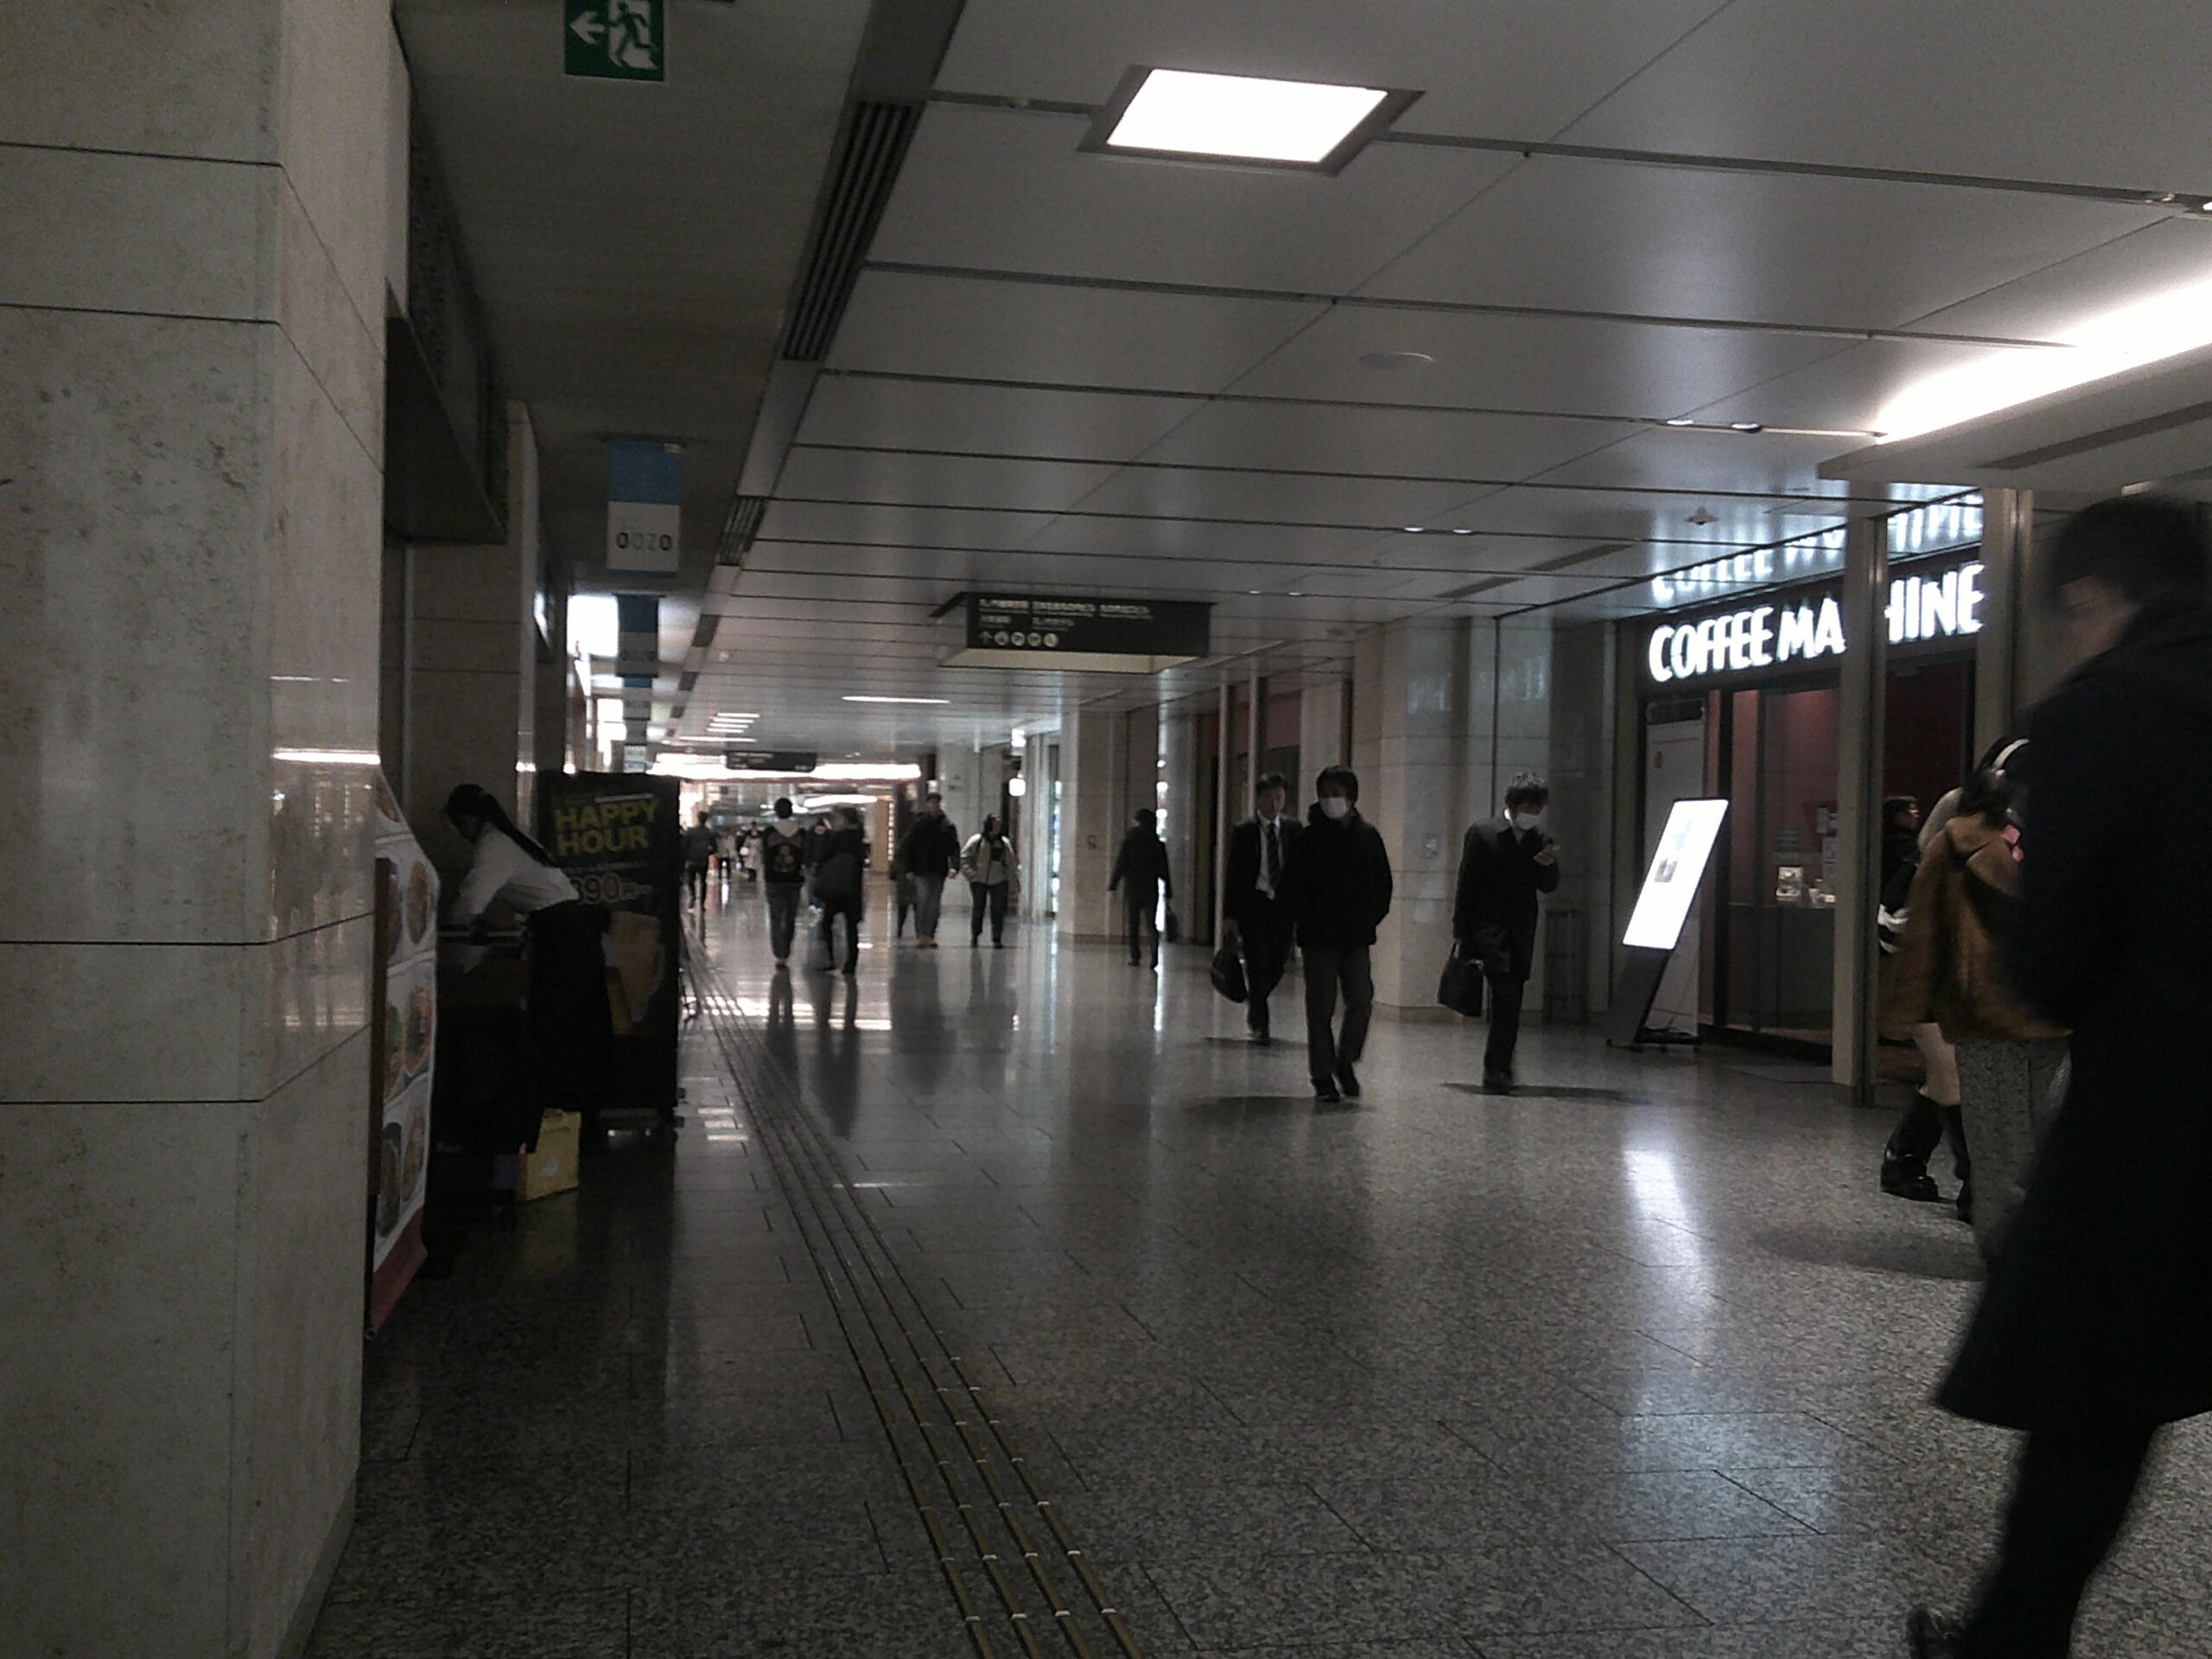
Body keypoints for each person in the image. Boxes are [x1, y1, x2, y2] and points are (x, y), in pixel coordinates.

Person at [1910, 495, 2212, 1659]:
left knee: (2093, 1402)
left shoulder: (2100, 715)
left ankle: (2012, 1640)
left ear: (2093, 597)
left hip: (2160, 1120)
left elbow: (2056, 966)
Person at [1885, 740, 2064, 1264]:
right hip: (1989, 1018)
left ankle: (2051, 1255)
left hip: (2060, 1016)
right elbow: (1922, 931)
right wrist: (1911, 1008)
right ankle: (2009, 1261)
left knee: (2057, 1143)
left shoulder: (2076, 837)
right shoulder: (1958, 841)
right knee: (2003, 1152)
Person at [442, 783, 612, 1147]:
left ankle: (562, 1126)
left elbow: (471, 902)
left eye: (460, 825)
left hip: (562, 943)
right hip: (573, 936)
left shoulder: (493, 845)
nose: (461, 834)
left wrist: (446, 934)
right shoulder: (513, 838)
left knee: (558, 1031)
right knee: (577, 1030)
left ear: (470, 819)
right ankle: (581, 1124)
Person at [1278, 766, 1392, 1103]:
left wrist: (1369, 919)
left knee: (1361, 1001)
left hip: (1356, 938)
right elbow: (1290, 889)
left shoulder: (1368, 837)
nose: (1331, 800)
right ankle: (1322, 1074)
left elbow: (1383, 885)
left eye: (1337, 794)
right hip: (1318, 938)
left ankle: (1346, 1059)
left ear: (1351, 797)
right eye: (1325, 794)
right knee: (1320, 1008)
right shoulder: (1307, 840)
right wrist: (1303, 920)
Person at [1452, 772, 1560, 1093]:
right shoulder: (1484, 833)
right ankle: (1497, 1067)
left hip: (1521, 929)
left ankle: (1501, 1066)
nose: (1533, 814)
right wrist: (1460, 929)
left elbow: (1549, 885)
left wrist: (1547, 865)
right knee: (1506, 994)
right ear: (1513, 804)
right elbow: (1466, 883)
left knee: (1512, 1000)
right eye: (1529, 807)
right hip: (1488, 927)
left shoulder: (1540, 839)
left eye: (1538, 808)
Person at [1223, 772, 1300, 1043]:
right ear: (1258, 799)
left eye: (1279, 797)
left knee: (1277, 963)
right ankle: (1260, 1023)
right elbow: (1233, 874)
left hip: (1283, 906)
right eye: (1268, 797)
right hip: (1254, 905)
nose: (1274, 803)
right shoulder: (1244, 831)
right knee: (1256, 963)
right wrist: (1230, 914)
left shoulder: (1293, 830)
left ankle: (1256, 1000)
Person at [1107, 808, 1172, 967]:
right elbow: (1164, 870)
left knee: (1133, 924)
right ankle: (1154, 955)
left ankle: (1135, 956)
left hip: (1133, 887)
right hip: (1150, 888)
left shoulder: (1129, 842)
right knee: (1151, 924)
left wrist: (1112, 886)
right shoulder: (1157, 844)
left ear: (1138, 822)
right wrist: (1168, 891)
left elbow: (1121, 865)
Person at [894, 791, 960, 948]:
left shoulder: (946, 826)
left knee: (934, 903)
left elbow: (954, 847)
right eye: (932, 803)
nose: (934, 806)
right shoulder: (919, 825)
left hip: (938, 869)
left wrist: (954, 866)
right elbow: (909, 847)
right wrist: (909, 869)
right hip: (922, 869)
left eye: (936, 803)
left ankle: (929, 934)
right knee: (924, 901)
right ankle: (922, 934)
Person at [810, 807, 869, 977]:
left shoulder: (835, 838)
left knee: (826, 922)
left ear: (845, 820)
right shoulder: (859, 839)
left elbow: (822, 856)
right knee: (851, 926)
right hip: (852, 887)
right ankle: (851, 962)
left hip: (834, 887)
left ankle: (830, 959)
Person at [757, 798, 810, 969]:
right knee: (790, 917)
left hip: (774, 880)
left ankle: (779, 954)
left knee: (776, 916)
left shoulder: (769, 832)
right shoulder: (801, 833)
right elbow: (805, 856)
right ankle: (786, 949)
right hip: (795, 880)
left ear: (776, 811)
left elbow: (763, 856)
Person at [960, 814, 1018, 947]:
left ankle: (997, 937)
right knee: (978, 908)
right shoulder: (977, 841)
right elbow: (964, 858)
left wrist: (1013, 882)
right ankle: (975, 934)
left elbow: (1011, 864)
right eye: (995, 824)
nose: (997, 827)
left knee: (998, 909)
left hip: (999, 880)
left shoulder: (1003, 843)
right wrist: (971, 875)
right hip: (979, 880)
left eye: (999, 825)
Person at [682, 810, 715, 908]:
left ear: (698, 819)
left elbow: (684, 845)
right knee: (703, 881)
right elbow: (714, 847)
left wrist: (686, 856)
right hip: (703, 860)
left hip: (691, 860)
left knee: (690, 880)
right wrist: (708, 853)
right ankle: (702, 902)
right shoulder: (709, 833)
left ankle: (693, 896)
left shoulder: (691, 831)